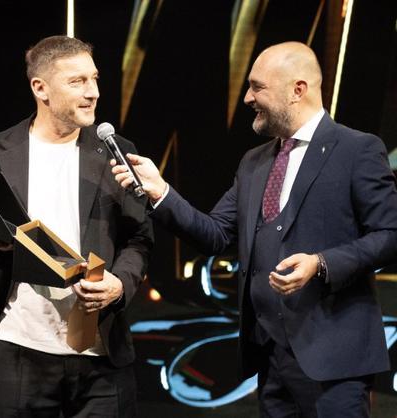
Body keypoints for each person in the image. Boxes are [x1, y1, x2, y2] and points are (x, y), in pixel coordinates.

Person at [112, 41, 397, 417]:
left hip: (334, 362)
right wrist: (161, 192)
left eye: (257, 87)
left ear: (297, 90)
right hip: (270, 358)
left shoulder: (356, 150)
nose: (247, 98)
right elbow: (215, 234)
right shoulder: (254, 162)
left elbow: (390, 234)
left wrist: (321, 263)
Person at [0, 35, 153, 417]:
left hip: (101, 352)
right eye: (77, 81)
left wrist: (120, 284)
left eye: (94, 79)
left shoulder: (116, 153)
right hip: (20, 349)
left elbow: (139, 239)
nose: (93, 92)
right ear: (40, 88)